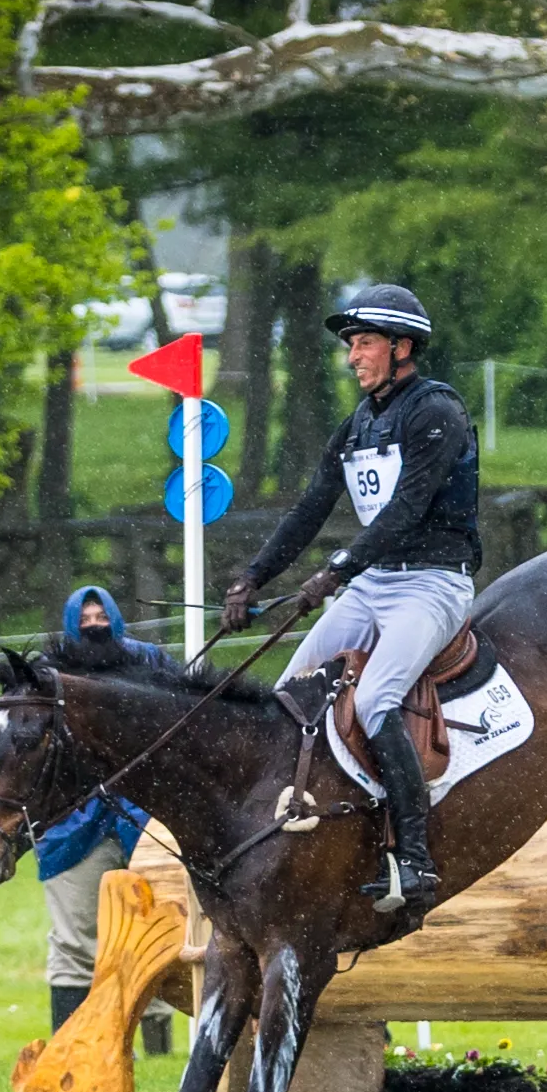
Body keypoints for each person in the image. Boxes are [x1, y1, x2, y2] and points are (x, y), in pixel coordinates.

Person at [219, 283, 478, 917]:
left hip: (433, 582)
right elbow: (311, 507)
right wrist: (253, 577)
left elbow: (407, 509)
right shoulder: (359, 421)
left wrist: (332, 572)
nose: (353, 356)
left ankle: (413, 859)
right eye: (351, 345)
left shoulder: (435, 412)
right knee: (290, 688)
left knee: (376, 697)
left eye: (363, 344)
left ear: (402, 347)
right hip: (374, 583)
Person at [37, 586, 171, 1042]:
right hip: (72, 826)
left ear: (115, 616)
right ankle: (68, 1045)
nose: (94, 624)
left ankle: (156, 1044)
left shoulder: (151, 662)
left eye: (101, 615)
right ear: (72, 623)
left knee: (151, 936)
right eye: (85, 617)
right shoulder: (48, 674)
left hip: (145, 822)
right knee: (75, 938)